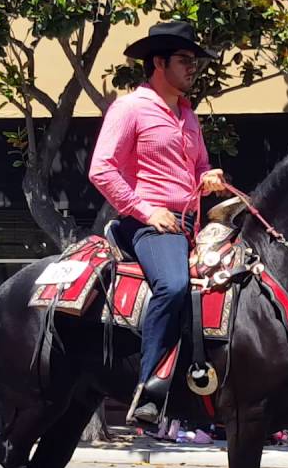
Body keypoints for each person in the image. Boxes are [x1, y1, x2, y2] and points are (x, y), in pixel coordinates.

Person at [88, 21, 225, 424]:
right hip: (147, 225)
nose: (193, 67)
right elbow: (101, 169)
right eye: (185, 60)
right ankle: (149, 387)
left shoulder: (189, 116)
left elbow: (197, 167)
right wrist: (147, 211)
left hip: (190, 225)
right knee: (174, 284)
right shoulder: (130, 108)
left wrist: (208, 176)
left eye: (195, 61)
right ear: (158, 62)